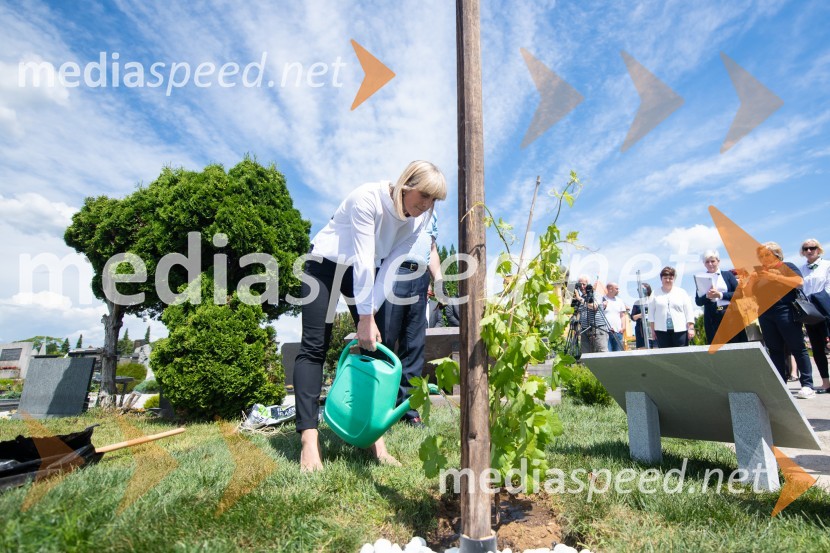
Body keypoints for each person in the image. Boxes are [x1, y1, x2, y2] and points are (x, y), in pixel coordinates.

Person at [292, 161, 447, 471]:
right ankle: (309, 440)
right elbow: (362, 259)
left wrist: (370, 316)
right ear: (406, 185)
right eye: (424, 196)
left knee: (375, 347)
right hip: (325, 264)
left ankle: (374, 439)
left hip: (363, 271)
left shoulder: (417, 221)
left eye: (433, 200)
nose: (427, 205)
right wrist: (365, 318)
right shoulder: (368, 199)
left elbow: (386, 271)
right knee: (314, 346)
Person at [381, 212, 442, 428]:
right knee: (384, 343)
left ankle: (408, 411)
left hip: (421, 277)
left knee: (414, 345)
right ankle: (379, 408)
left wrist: (439, 279)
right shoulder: (399, 204)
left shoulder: (432, 213)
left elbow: (431, 247)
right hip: (392, 271)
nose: (429, 202)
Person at [742, 241, 814, 398]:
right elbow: (747, 293)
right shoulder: (758, 273)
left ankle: (807, 384)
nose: (762, 258)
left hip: (785, 310)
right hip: (765, 314)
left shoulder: (786, 266)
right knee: (774, 350)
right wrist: (751, 280)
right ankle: (781, 385)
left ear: (776, 254)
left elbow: (799, 282)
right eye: (760, 256)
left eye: (766, 255)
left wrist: (774, 277)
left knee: (797, 347)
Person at [694, 250, 748, 345]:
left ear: (718, 261)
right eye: (707, 262)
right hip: (712, 317)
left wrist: (720, 295)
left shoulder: (728, 275)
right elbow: (698, 302)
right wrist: (707, 296)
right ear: (704, 264)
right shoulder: (701, 279)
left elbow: (740, 294)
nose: (710, 264)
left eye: (713, 261)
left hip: (731, 314)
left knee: (737, 344)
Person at [799, 238, 830, 393]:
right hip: (810, 314)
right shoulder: (801, 269)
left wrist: (813, 299)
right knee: (817, 348)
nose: (809, 251)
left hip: (826, 311)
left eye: (812, 247)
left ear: (819, 249)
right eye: (805, 248)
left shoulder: (827, 265)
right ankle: (825, 382)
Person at [649, 266, 695, 347]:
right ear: (661, 279)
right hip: (661, 331)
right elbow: (651, 314)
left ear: (674, 279)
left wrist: (691, 328)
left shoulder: (681, 292)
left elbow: (689, 312)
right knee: (666, 356)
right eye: (665, 278)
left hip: (680, 330)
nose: (668, 280)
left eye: (670, 278)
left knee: (681, 354)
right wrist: (652, 330)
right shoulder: (654, 293)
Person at [574, 275, 609, 353]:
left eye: (584, 284)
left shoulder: (596, 294)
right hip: (584, 330)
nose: (582, 287)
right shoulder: (580, 297)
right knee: (586, 355)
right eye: (580, 285)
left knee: (602, 353)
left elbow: (594, 306)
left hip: (598, 328)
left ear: (588, 285)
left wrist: (579, 298)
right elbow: (577, 313)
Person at [602, 282, 627, 351]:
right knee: (607, 354)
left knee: (619, 354)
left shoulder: (620, 301)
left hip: (618, 332)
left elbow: (622, 315)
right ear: (610, 289)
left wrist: (623, 327)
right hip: (605, 332)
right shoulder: (602, 299)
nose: (618, 290)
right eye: (616, 289)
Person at [630, 283, 655, 349]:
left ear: (647, 290)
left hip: (653, 327)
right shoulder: (637, 303)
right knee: (642, 348)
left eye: (642, 289)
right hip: (641, 329)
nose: (640, 291)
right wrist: (640, 315)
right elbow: (632, 317)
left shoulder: (653, 300)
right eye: (638, 289)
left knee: (655, 348)